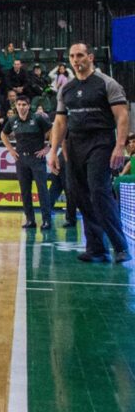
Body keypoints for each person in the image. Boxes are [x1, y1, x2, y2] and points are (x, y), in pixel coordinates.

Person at [48, 42, 131, 263]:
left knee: (98, 191)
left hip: (101, 142)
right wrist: (53, 152)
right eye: (72, 56)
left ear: (91, 57)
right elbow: (59, 122)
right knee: (80, 195)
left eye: (81, 55)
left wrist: (119, 146)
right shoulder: (66, 89)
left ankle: (120, 246)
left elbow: (122, 116)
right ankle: (96, 249)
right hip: (75, 145)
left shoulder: (107, 84)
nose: (76, 60)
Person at [0, 96, 54, 230]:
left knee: (42, 190)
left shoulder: (38, 118)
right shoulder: (13, 120)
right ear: (16, 106)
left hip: (36, 158)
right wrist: (11, 150)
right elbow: (3, 134)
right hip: (21, 160)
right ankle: (30, 220)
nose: (21, 107)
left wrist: (48, 147)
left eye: (24, 104)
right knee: (25, 191)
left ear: (29, 106)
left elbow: (52, 130)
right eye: (19, 104)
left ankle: (46, 220)